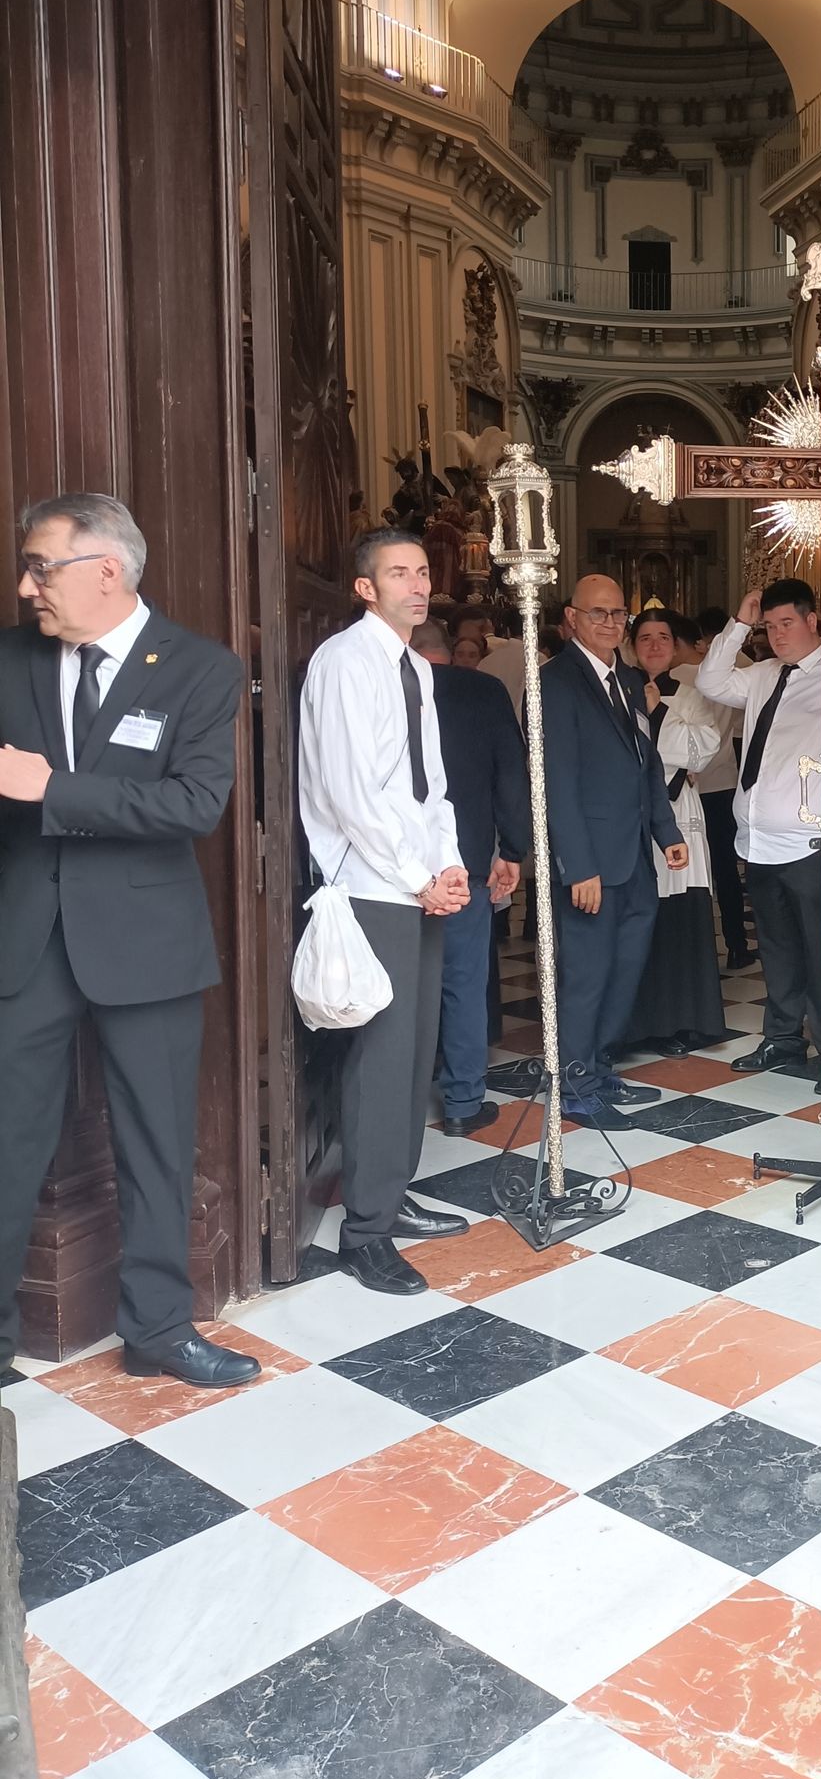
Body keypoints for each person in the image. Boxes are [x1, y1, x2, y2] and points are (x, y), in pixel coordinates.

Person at [0, 493, 261, 1386]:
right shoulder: (10, 658)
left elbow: (194, 803)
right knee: (7, 1141)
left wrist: (51, 788)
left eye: (40, 566)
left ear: (106, 569)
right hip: (27, 937)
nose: (26, 585)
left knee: (156, 1143)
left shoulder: (200, 667)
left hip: (148, 943)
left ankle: (157, 1330)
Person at [299, 531, 474, 1297]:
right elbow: (351, 792)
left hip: (417, 881)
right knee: (379, 1056)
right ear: (365, 587)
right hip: (372, 885)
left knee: (413, 1050)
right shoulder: (344, 661)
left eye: (423, 571)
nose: (417, 584)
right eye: (398, 573)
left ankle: (391, 1194)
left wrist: (449, 862)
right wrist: (414, 876)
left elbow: (429, 785)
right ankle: (364, 1234)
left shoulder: (416, 667)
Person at [699, 577, 821, 1088]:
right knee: (777, 946)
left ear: (812, 621)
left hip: (814, 844)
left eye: (787, 623)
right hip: (758, 841)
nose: (778, 634)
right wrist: (739, 624)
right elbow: (711, 681)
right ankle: (782, 1038)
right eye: (769, 626)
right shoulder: (762, 674)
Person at [541, 574, 688, 1128]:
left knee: (624, 971)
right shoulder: (554, 682)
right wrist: (578, 865)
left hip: (634, 857)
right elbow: (556, 781)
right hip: (591, 864)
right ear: (572, 618)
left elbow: (645, 762)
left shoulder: (627, 680)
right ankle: (574, 1082)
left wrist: (668, 833)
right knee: (586, 975)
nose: (610, 623)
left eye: (617, 614)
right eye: (597, 613)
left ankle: (599, 1068)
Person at [411, 618, 531, 1134]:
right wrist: (514, 848)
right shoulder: (483, 690)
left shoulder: (384, 684)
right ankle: (462, 1102)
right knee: (462, 982)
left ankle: (399, 1101)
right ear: (447, 650)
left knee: (400, 984)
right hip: (466, 861)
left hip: (391, 865)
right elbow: (511, 771)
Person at [619, 609, 728, 1053]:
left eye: (663, 637)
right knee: (636, 916)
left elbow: (703, 750)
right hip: (630, 815)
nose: (655, 646)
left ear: (675, 645)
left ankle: (680, 1021)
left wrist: (659, 712)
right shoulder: (616, 688)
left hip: (679, 812)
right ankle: (634, 1025)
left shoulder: (688, 694)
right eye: (645, 637)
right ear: (631, 645)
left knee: (680, 914)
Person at [692, 602, 752, 968]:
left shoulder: (695, 676)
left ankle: (697, 953)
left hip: (697, 782)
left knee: (691, 872)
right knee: (725, 867)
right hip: (724, 775)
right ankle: (737, 945)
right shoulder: (742, 666)